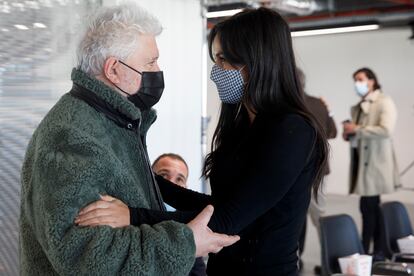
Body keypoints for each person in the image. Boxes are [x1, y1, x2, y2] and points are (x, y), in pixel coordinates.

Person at [76, 7, 329, 275]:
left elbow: (226, 220)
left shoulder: (293, 131)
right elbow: (216, 206)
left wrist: (133, 216)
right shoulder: (243, 124)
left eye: (223, 61)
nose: (215, 72)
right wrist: (146, 178)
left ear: (256, 62)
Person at [19, 4, 239, 275]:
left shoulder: (113, 122)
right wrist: (185, 243)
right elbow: (88, 257)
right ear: (113, 70)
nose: (158, 70)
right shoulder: (72, 137)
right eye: (150, 62)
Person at [342, 67, 399, 258]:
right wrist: (349, 134)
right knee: (370, 206)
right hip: (362, 161)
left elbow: (386, 130)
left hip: (375, 163)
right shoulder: (359, 105)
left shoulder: (384, 102)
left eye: (360, 79)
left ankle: (366, 250)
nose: (357, 83)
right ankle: (378, 250)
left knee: (368, 207)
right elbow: (359, 132)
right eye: (355, 80)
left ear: (371, 80)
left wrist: (356, 129)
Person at [296, 68, 337, 274]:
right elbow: (333, 131)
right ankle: (330, 260)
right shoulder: (319, 103)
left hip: (295, 171)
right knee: (319, 216)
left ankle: (297, 259)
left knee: (297, 217)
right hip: (319, 169)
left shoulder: (289, 105)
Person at [152, 153, 207, 276]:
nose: (171, 184)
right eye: (163, 175)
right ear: (150, 179)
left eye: (179, 179)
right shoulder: (127, 215)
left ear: (185, 187)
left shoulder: (190, 225)